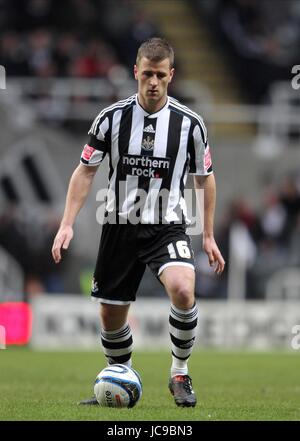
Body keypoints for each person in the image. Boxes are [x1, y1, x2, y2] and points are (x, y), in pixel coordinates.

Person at [51, 37, 225, 408]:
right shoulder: (110, 118)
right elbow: (85, 172)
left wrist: (208, 234)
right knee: (111, 314)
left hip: (168, 224)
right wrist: (67, 223)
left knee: (182, 287)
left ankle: (179, 373)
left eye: (161, 75)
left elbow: (204, 177)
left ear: (171, 75)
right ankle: (119, 377)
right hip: (119, 224)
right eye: (147, 73)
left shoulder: (190, 125)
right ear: (135, 72)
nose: (153, 82)